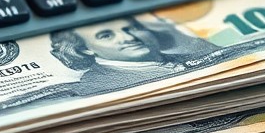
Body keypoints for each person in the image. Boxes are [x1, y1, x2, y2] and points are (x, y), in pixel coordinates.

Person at [48, 15, 218, 96]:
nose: (129, 38)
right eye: (106, 36)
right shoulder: (94, 87)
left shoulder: (197, 52)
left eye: (131, 29)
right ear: (84, 49)